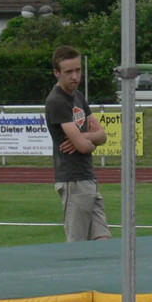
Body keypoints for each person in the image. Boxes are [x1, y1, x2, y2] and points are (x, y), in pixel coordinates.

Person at [44, 45, 111, 241]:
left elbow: (102, 136)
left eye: (78, 70)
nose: (75, 76)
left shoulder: (78, 96)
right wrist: (87, 140)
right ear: (57, 73)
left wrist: (86, 137)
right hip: (73, 180)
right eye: (69, 72)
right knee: (78, 244)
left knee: (103, 240)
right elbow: (83, 147)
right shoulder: (57, 101)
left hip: (88, 177)